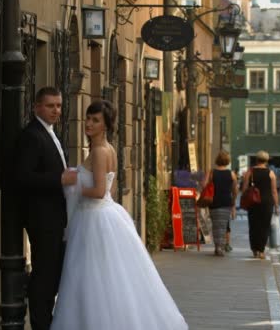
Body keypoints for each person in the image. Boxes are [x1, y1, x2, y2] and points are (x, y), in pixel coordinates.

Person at [51, 100, 188, 330]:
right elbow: (111, 189)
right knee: (109, 277)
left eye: (95, 120)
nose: (89, 123)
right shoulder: (110, 149)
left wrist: (73, 185)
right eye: (88, 118)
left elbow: (99, 191)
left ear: (105, 125)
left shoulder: (97, 152)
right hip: (106, 214)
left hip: (93, 218)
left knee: (91, 278)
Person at [13, 86, 78, 330]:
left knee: (51, 275)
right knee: (44, 275)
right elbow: (23, 177)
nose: (56, 110)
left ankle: (47, 321)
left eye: (59, 106)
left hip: (55, 217)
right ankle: (41, 324)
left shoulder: (52, 133)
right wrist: (60, 179)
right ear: (37, 107)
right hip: (42, 217)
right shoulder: (31, 135)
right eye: (50, 106)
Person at [241, 151, 279, 259]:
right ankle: (261, 251)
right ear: (266, 161)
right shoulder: (271, 173)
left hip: (253, 202)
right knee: (264, 227)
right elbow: (274, 191)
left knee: (253, 226)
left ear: (256, 160)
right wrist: (276, 206)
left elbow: (244, 188)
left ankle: (254, 250)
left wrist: (244, 199)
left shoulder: (250, 171)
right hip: (267, 203)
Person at [202, 151, 237, 256]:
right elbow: (235, 189)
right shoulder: (231, 174)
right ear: (227, 161)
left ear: (217, 160)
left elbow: (204, 185)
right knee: (223, 225)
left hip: (214, 201)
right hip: (226, 202)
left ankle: (218, 246)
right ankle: (220, 246)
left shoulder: (212, 172)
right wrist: (233, 202)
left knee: (216, 225)